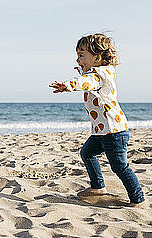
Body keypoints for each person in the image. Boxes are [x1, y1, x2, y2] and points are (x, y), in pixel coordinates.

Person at [49, 33, 145, 206]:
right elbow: (86, 78)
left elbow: (86, 81)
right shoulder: (96, 73)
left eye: (81, 55)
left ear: (97, 57)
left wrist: (68, 85)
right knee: (87, 153)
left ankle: (138, 199)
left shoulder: (99, 76)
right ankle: (98, 187)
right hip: (102, 131)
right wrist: (80, 75)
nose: (77, 60)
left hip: (113, 131)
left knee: (120, 167)